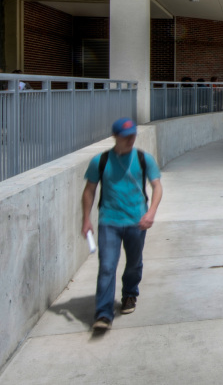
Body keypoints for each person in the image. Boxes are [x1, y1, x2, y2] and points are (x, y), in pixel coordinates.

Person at [81, 117, 162, 332]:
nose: (130, 140)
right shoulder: (101, 160)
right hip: (109, 221)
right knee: (107, 266)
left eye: (133, 135)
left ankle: (129, 295)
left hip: (137, 221)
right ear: (115, 136)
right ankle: (104, 313)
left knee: (134, 263)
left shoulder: (144, 159)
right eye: (126, 136)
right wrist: (86, 219)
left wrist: (151, 213)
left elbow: (157, 187)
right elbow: (89, 190)